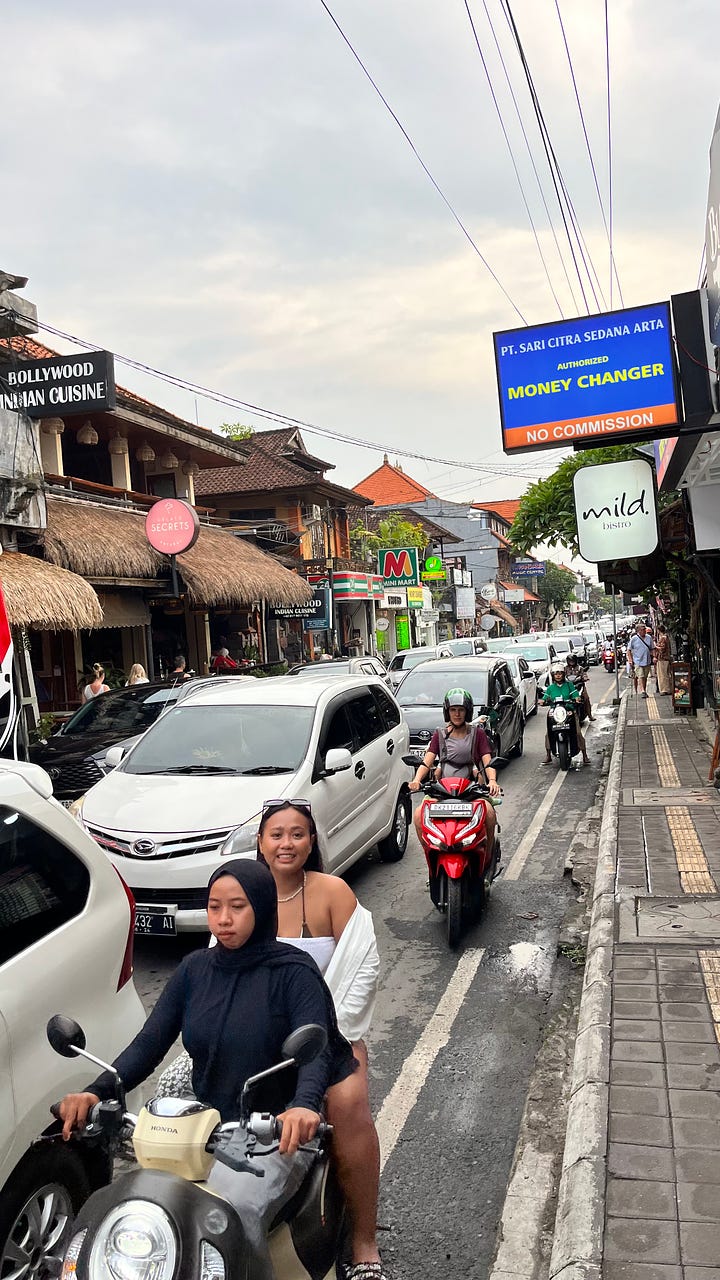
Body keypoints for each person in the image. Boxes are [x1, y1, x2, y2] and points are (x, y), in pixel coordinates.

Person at [56, 860, 356, 1280]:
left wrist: (303, 1107)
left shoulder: (293, 972)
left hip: (271, 1132)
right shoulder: (195, 969)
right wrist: (97, 1090)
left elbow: (314, 1050)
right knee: (139, 1206)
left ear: (262, 907)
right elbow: (149, 1044)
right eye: (214, 907)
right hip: (201, 1128)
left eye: (237, 907)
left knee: (231, 1214)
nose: (223, 919)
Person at [158, 801, 387, 1280]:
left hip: (326, 1032)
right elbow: (213, 985)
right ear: (260, 843)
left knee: (347, 1103)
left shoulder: (332, 892)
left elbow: (361, 968)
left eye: (298, 834)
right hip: (255, 1033)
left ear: (311, 841)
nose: (287, 844)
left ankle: (364, 1242)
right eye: (276, 834)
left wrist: (327, 1028)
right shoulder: (236, 893)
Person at [409, 688, 501, 850]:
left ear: (467, 712)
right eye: (453, 710)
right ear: (447, 712)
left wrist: (492, 781)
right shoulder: (440, 734)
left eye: (461, 710)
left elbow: (488, 761)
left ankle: (488, 856)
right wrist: (416, 780)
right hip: (443, 791)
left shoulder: (477, 734)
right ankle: (431, 853)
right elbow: (427, 761)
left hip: (471, 790)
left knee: (489, 814)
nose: (457, 714)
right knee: (418, 815)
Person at [542, 665, 590, 765]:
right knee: (548, 734)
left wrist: (576, 698)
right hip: (556, 713)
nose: (558, 676)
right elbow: (545, 697)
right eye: (556, 674)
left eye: (560, 673)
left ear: (563, 674)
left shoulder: (569, 685)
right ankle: (548, 755)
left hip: (569, 711)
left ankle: (585, 754)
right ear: (553, 675)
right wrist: (542, 701)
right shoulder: (551, 688)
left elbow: (575, 694)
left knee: (577, 732)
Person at [627, 623, 655, 698]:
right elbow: (629, 650)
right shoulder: (634, 639)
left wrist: (654, 657)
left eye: (645, 630)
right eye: (642, 630)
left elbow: (652, 648)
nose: (644, 631)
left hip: (647, 660)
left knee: (645, 677)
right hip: (637, 661)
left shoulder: (649, 638)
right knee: (640, 676)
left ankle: (644, 690)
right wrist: (630, 660)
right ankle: (642, 690)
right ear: (638, 631)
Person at [565, 653, 594, 722]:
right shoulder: (565, 668)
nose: (571, 662)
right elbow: (562, 676)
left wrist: (585, 678)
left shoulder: (580, 668)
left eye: (572, 661)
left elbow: (584, 674)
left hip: (579, 685)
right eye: (570, 661)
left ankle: (590, 716)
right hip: (568, 686)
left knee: (586, 698)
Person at [654, 624, 672, 695]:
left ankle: (664, 690)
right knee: (666, 674)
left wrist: (655, 646)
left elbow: (662, 649)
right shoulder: (666, 637)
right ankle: (668, 688)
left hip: (662, 658)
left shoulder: (663, 638)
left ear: (658, 630)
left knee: (662, 675)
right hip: (666, 658)